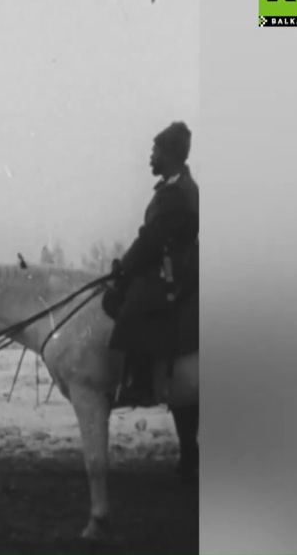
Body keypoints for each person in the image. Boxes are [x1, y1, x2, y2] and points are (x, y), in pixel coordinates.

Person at [108, 121, 200, 407]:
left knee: (137, 304)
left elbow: (151, 239)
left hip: (175, 272)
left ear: (169, 154)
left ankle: (141, 386)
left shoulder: (176, 192)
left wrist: (125, 268)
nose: (151, 157)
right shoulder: (175, 186)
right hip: (174, 266)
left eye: (155, 151)